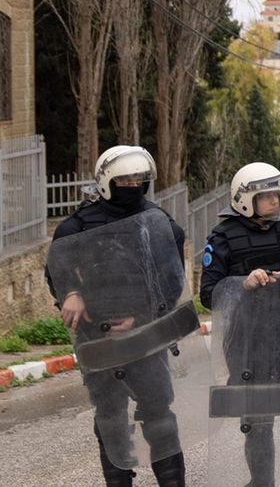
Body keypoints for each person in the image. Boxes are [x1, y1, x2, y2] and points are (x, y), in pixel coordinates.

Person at [46, 145, 191, 487]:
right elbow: (57, 268)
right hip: (97, 338)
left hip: (145, 336)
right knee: (110, 421)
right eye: (125, 178)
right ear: (107, 181)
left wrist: (140, 320)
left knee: (160, 419)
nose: (133, 184)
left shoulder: (159, 225)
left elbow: (171, 283)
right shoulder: (76, 227)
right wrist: (70, 292)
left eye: (139, 178)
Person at [200, 162, 280, 486]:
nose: (275, 201)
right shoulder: (222, 237)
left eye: (277, 194)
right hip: (247, 344)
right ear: (245, 199)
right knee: (258, 422)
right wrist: (242, 283)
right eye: (267, 196)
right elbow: (208, 294)